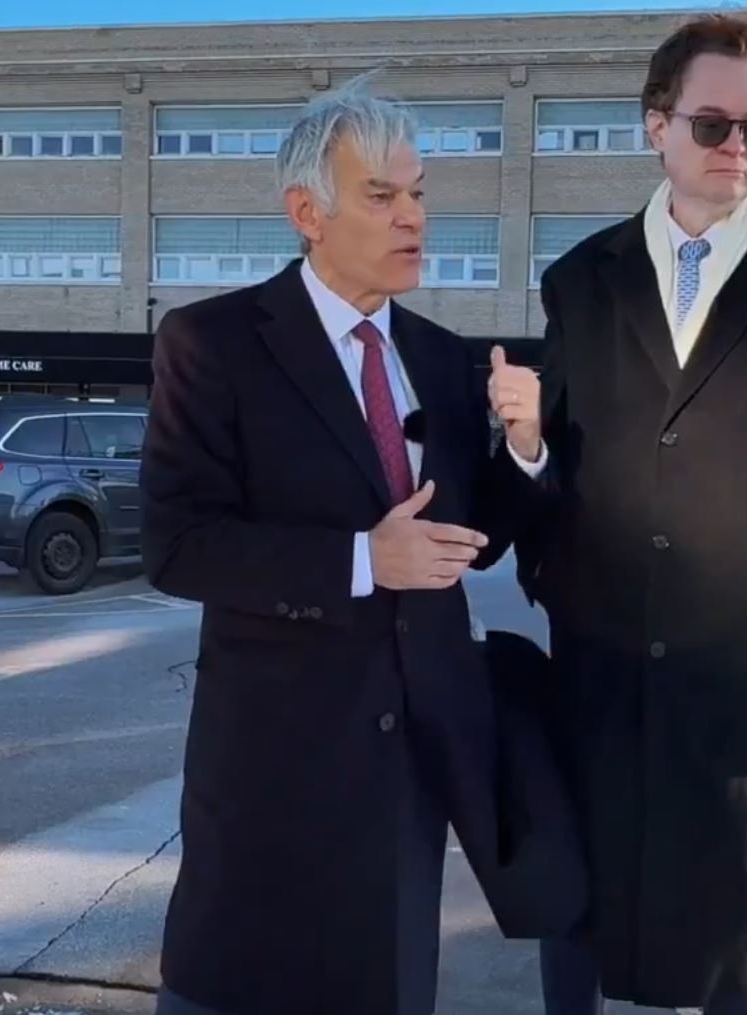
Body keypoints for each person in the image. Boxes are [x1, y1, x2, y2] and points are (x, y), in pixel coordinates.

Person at [139, 81, 562, 1015]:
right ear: (307, 213)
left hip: (411, 755)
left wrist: (525, 451)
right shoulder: (211, 344)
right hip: (273, 757)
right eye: (381, 195)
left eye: (417, 194)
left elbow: (464, 543)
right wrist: (363, 560)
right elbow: (178, 543)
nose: (412, 217)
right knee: (237, 986)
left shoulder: (447, 359)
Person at [515, 13, 747, 1015]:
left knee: (736, 946)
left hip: (741, 685)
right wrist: (549, 559)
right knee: (579, 926)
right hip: (597, 674)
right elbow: (555, 464)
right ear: (655, 126)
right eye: (713, 124)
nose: (737, 149)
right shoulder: (581, 281)